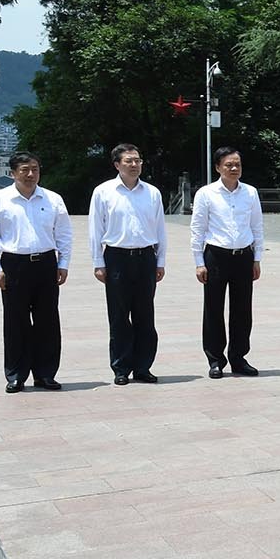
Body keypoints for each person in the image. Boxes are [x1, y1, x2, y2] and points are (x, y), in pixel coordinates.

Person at [0, 152, 72, 392]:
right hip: (14, 264)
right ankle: (16, 375)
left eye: (35, 169)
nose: (31, 174)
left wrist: (63, 263)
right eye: (24, 170)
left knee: (47, 321)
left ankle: (45, 374)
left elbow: (63, 233)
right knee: (15, 321)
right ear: (13, 173)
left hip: (46, 263)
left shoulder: (53, 199)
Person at [90, 143, 167, 385]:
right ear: (117, 165)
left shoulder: (152, 193)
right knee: (119, 315)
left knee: (145, 315)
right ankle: (121, 368)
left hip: (146, 257)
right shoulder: (103, 192)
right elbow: (95, 229)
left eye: (137, 160)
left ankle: (143, 367)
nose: (134, 165)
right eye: (128, 161)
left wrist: (160, 261)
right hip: (117, 258)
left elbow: (160, 229)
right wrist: (98, 262)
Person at [190, 146, 264, 379]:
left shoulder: (250, 192)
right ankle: (215, 360)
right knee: (213, 309)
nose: (234, 168)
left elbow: (257, 226)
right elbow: (198, 229)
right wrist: (199, 262)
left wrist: (257, 258)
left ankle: (239, 358)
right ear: (217, 167)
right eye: (229, 165)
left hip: (243, 256)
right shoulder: (206, 193)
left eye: (237, 165)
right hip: (216, 256)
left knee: (242, 310)